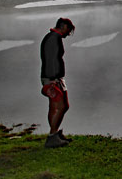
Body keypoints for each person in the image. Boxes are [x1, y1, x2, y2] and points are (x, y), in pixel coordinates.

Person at [40, 17, 75, 148]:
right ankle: (52, 136)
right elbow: (51, 59)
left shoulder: (52, 37)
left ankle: (54, 134)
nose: (68, 33)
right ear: (64, 27)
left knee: (57, 106)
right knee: (60, 106)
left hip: (53, 77)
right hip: (53, 78)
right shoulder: (54, 39)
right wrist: (53, 80)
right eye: (69, 30)